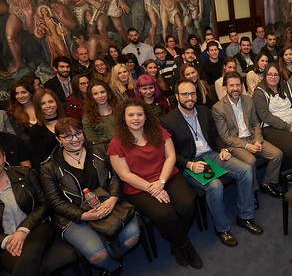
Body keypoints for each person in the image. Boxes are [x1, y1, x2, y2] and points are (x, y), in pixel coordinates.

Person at [161, 79, 261, 247]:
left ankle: (245, 216)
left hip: (212, 154)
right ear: (177, 96)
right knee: (214, 185)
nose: (189, 97)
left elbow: (215, 135)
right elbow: (170, 155)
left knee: (245, 170)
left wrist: (222, 148)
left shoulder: (204, 111)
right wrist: (189, 165)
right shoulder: (168, 121)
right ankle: (222, 229)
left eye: (192, 93)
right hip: (191, 163)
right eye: (184, 94)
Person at [107, 99, 200, 268]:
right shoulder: (117, 142)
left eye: (139, 114)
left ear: (146, 116)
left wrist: (161, 183)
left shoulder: (158, 130)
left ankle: (177, 241)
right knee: (166, 215)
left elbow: (171, 156)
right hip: (139, 187)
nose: (136, 118)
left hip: (167, 176)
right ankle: (185, 246)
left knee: (187, 205)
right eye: (131, 115)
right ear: (123, 117)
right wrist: (153, 189)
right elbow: (124, 175)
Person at [41, 118, 140, 275]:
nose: (75, 139)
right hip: (75, 213)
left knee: (131, 239)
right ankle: (114, 267)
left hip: (108, 201)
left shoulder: (99, 149)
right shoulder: (49, 167)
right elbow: (54, 201)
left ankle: (111, 250)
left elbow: (116, 173)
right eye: (67, 136)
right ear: (58, 139)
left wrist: (113, 198)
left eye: (78, 133)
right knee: (98, 256)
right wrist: (83, 215)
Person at [212, 71, 283, 202]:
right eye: (231, 85)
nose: (235, 88)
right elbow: (225, 136)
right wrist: (246, 146)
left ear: (242, 86)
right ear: (225, 87)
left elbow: (255, 123)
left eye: (238, 85)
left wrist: (257, 140)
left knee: (277, 154)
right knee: (250, 161)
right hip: (235, 143)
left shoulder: (248, 100)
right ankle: (252, 192)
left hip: (252, 137)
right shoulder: (218, 108)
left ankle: (267, 183)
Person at [0, 144, 54, 275]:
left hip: (36, 228)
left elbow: (44, 204)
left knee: (29, 257)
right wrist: (6, 240)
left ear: (4, 156)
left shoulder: (24, 173)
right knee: (36, 268)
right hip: (6, 243)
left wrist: (23, 230)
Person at [29, 89, 66, 166]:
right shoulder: (35, 130)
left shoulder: (70, 122)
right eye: (43, 103)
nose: (48, 106)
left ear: (57, 102)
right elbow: (44, 159)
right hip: (56, 169)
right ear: (38, 107)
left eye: (51, 101)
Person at [82, 79, 119, 144]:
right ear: (91, 96)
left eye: (102, 92)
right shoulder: (87, 118)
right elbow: (93, 141)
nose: (100, 96)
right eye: (95, 94)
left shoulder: (120, 109)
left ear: (108, 92)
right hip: (104, 150)